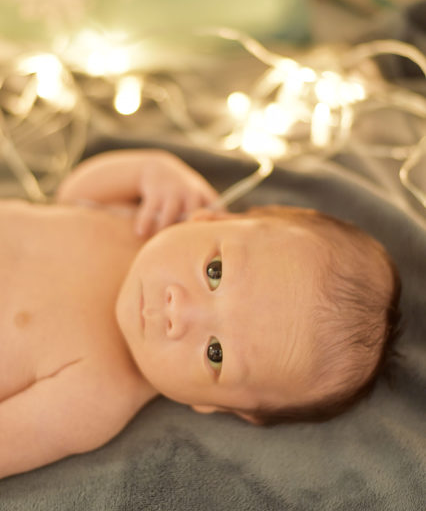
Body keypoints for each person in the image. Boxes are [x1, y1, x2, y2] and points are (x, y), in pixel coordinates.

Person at [0, 149, 402, 479]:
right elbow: (74, 192)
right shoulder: (142, 221)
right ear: (212, 218)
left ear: (216, 404)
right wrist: (152, 169)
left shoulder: (94, 400)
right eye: (215, 272)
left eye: (216, 353)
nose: (181, 312)